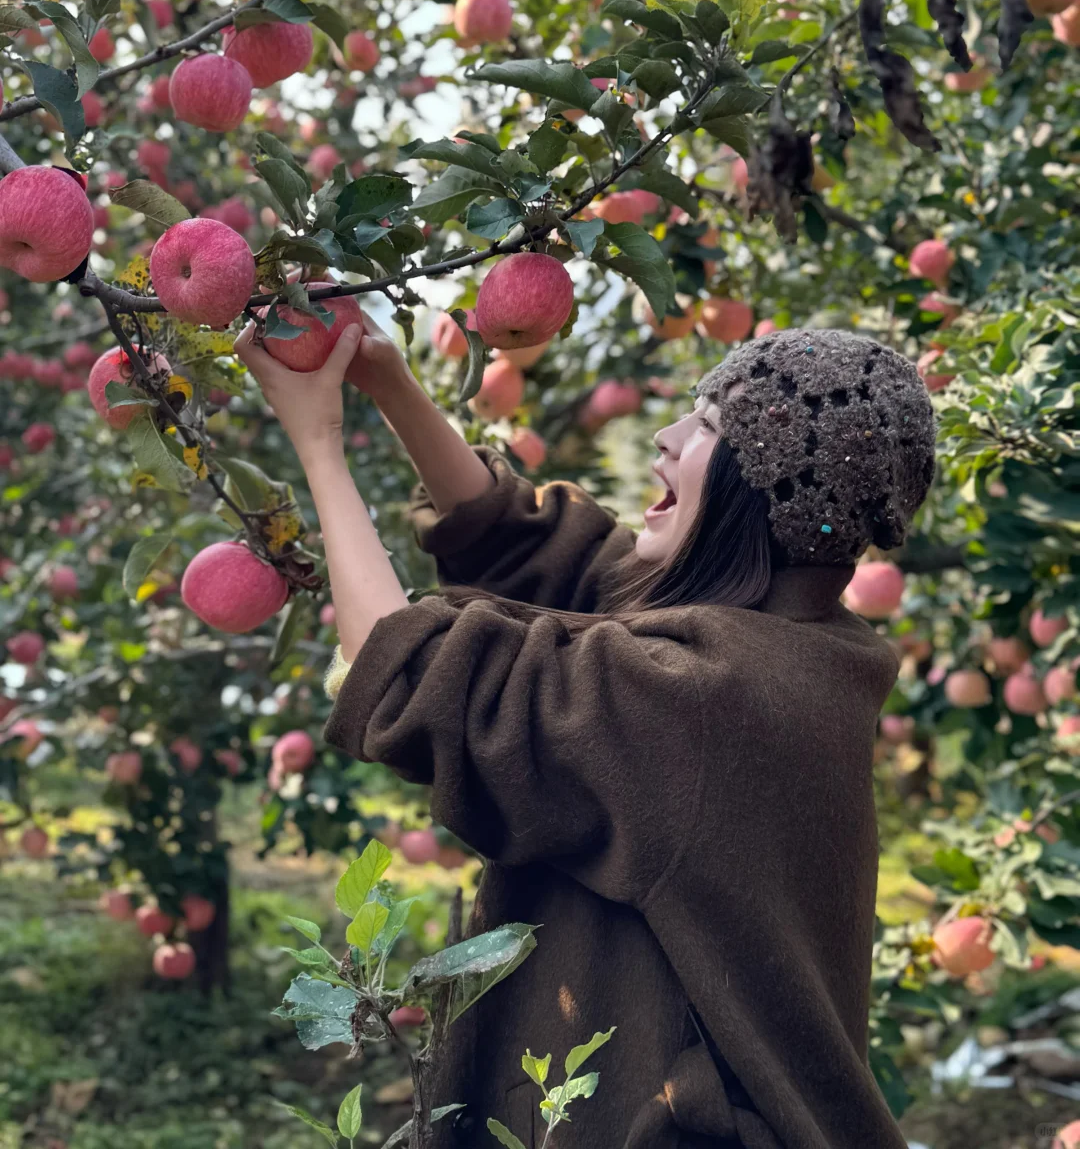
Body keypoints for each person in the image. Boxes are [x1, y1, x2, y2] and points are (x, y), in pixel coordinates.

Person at [235, 314, 936, 1149]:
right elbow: (542, 553)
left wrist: (318, 444)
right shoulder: (793, 638)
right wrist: (390, 383)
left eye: (709, 428)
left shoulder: (706, 697)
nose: (670, 437)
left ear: (765, 490)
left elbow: (420, 683)